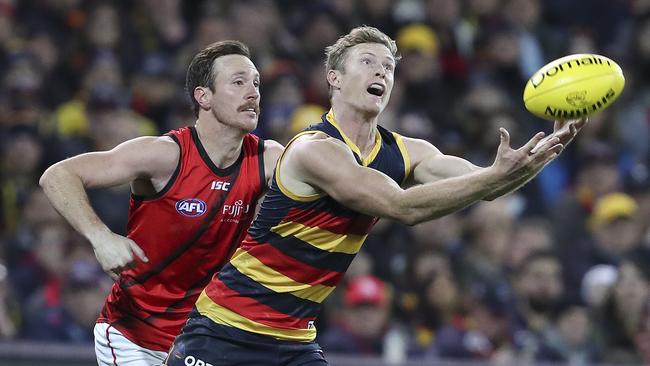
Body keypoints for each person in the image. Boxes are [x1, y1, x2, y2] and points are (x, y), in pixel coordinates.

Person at [165, 27, 585, 366]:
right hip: (225, 330)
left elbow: (485, 185)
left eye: (388, 66)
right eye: (367, 62)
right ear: (334, 78)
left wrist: (542, 153)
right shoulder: (314, 149)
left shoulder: (406, 150)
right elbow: (403, 207)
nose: (381, 72)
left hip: (293, 340)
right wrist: (499, 175)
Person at [39, 40, 283, 366]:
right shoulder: (166, 155)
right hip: (133, 336)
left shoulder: (269, 159)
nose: (253, 92)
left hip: (203, 341)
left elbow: (337, 188)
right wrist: (101, 237)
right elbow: (57, 175)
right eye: (238, 82)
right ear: (203, 96)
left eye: (255, 83)